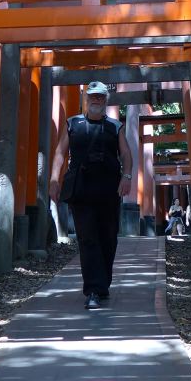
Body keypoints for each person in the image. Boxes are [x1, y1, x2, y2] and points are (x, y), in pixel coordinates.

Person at [48, 81, 133, 310]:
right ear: (86, 98)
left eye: (101, 97)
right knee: (88, 239)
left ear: (106, 100)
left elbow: (125, 154)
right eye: (93, 96)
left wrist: (127, 177)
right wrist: (54, 180)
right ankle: (93, 289)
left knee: (108, 238)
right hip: (81, 189)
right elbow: (59, 153)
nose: (97, 100)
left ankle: (102, 285)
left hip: (108, 189)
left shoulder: (115, 126)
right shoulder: (73, 124)